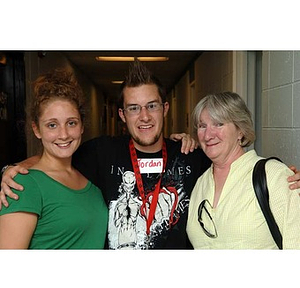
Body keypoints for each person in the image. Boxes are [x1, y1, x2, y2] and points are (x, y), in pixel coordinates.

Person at [2, 62, 300, 249]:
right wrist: (14, 168)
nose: (144, 116)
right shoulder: (98, 153)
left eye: (152, 106)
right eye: (133, 108)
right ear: (122, 114)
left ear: (165, 108)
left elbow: (235, 163)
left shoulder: (192, 155)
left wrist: (281, 177)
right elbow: (55, 160)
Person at [0, 69, 108, 249]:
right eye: (52, 125)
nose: (63, 134)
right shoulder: (22, 185)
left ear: (81, 126)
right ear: (37, 130)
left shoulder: (91, 179)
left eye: (71, 123)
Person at [186, 92, 300, 249]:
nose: (208, 135)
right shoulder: (200, 183)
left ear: (240, 130)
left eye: (219, 124)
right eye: (202, 126)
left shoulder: (273, 175)